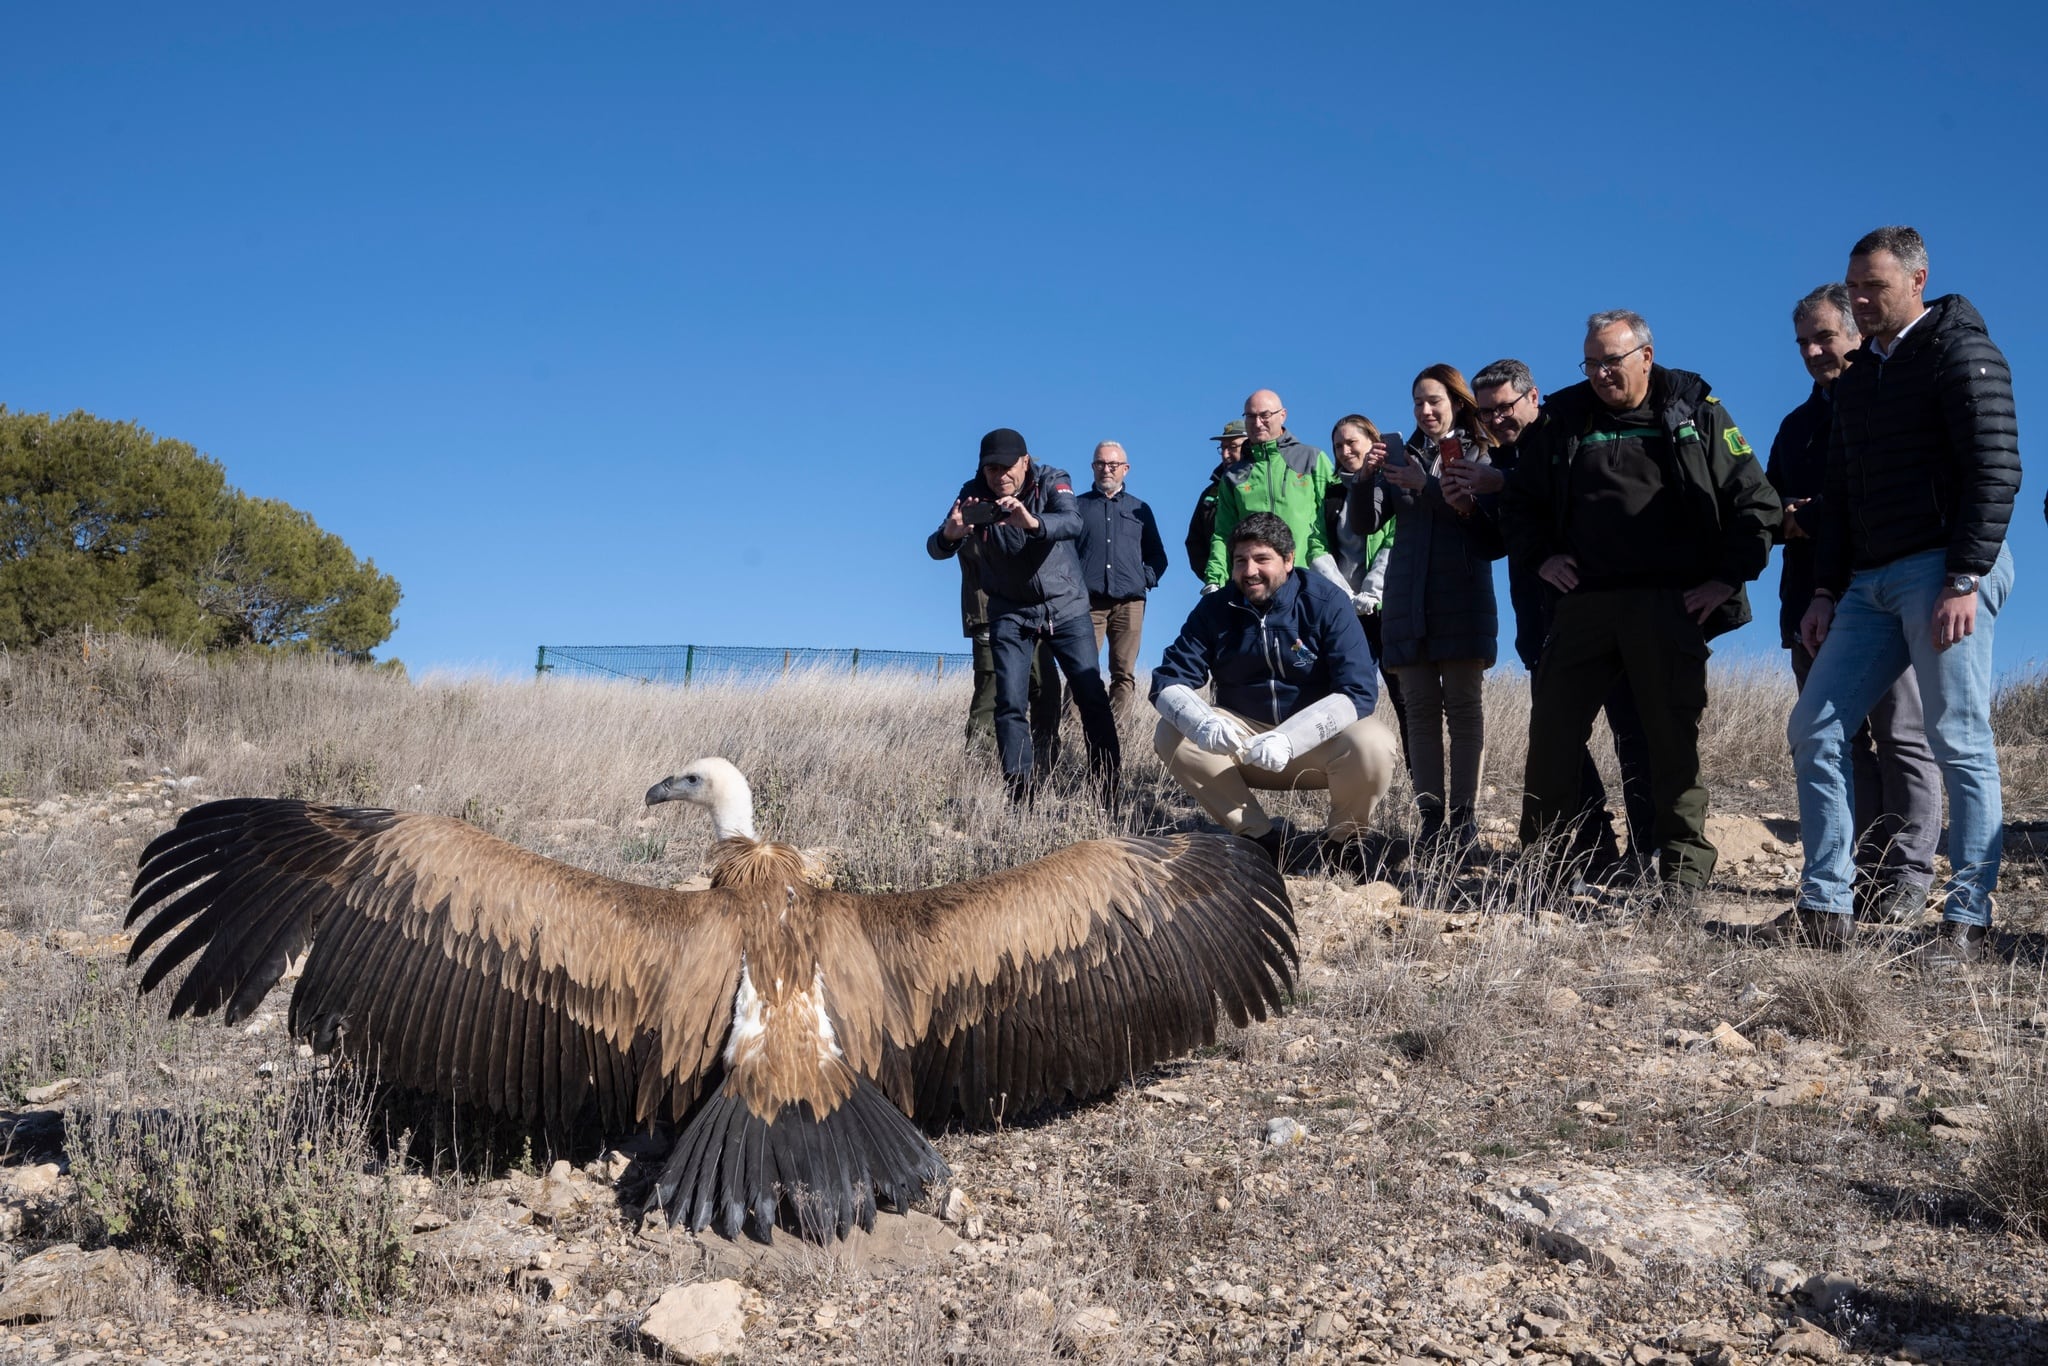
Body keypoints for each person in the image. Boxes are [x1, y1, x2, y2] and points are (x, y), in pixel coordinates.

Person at [1784, 227, 2020, 960]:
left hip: (1946, 567)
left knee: (1958, 738)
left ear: (1917, 280)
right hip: (1868, 581)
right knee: (1815, 729)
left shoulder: (1960, 351)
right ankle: (1827, 907)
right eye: (1854, 285)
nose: (1860, 297)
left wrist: (1964, 575)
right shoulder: (1859, 380)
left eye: (1873, 286)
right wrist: (1824, 590)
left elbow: (1995, 467)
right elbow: (1845, 496)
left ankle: (1968, 919)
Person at [1502, 310, 1779, 895]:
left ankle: (1680, 874)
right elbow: (1519, 504)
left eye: (1613, 360)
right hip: (1583, 604)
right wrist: (1541, 558)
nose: (1602, 372)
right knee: (1552, 737)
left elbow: (1755, 501)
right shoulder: (1563, 417)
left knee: (1669, 743)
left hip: (1668, 604)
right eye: (1592, 362)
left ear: (1645, 357)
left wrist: (1728, 579)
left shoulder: (1693, 410)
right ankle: (1543, 871)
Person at [1766, 283, 1940, 925]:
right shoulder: (1796, 425)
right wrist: (1789, 518)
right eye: (1803, 342)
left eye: (1825, 337)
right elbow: (1766, 509)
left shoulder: (1890, 402)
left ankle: (1906, 877)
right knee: (1832, 742)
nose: (1813, 351)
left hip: (1882, 596)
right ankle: (1850, 881)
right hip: (1808, 602)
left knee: (1902, 737)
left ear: (1857, 333)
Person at [1473, 358, 1654, 880]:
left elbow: (1573, 503)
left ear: (1533, 398)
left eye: (1504, 407)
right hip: (1537, 616)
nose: (1497, 420)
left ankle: (1648, 850)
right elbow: (1496, 545)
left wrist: (1501, 484)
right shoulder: (1500, 461)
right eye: (1486, 413)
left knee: (1632, 731)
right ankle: (1594, 846)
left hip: (1599, 609)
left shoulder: (1568, 437)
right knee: (1561, 740)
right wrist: (1471, 505)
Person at [1150, 513, 1400, 875]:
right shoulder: (1214, 609)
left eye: (1261, 559)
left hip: (1316, 742)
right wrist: (1201, 721)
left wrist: (1288, 739)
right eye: (1240, 561)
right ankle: (1260, 839)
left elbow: (1358, 691)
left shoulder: (1327, 602)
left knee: (1374, 741)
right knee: (1170, 732)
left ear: (1288, 560)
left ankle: (1344, 842)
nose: (1249, 571)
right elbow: (1168, 678)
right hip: (1243, 743)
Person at [928, 428, 1121, 803]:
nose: (1000, 476)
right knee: (1010, 702)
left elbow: (1072, 522)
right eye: (991, 469)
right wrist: (950, 535)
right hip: (1010, 611)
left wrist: (1032, 522)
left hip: (1065, 605)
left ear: (1026, 462)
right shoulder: (973, 491)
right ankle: (1021, 794)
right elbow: (937, 547)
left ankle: (1106, 788)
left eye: (1008, 467)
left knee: (1090, 695)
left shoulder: (1053, 479)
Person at [1366, 365, 1505, 855]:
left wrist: (1424, 483)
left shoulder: (1479, 450)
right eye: (1418, 403)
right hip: (1406, 597)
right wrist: (1368, 477)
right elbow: (1367, 522)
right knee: (1421, 711)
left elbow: (1478, 524)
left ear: (1456, 401)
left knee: (1464, 708)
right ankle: (1430, 821)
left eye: (1434, 401)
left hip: (1462, 592)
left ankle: (1464, 820)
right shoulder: (1405, 455)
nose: (1425, 411)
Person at [1201, 391, 1349, 598]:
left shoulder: (1312, 459)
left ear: (1283, 415)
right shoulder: (1233, 476)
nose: (1257, 422)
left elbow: (1338, 515)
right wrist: (1214, 579)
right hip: (1256, 584)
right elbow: (1224, 533)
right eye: (1250, 416)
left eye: (1265, 415)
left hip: (1309, 580)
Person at [1326, 415, 1408, 748]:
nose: (1345, 451)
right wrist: (1343, 593)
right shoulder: (1329, 492)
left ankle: (1423, 788)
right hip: (1346, 609)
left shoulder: (1391, 483)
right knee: (1345, 694)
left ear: (1372, 442)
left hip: (1387, 606)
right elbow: (1317, 543)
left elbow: (1394, 538)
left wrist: (1372, 591)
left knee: (1405, 697)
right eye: (1338, 446)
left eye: (1351, 443)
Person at [1074, 441, 1169, 716]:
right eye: (1100, 464)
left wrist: (1144, 579)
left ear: (1125, 469)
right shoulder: (1077, 507)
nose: (1107, 470)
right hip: (1086, 605)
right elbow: (1064, 554)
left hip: (1130, 603)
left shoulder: (1140, 509)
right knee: (1081, 669)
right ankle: (1071, 731)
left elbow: (1158, 555)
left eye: (1113, 465)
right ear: (1093, 467)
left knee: (1123, 674)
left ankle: (1119, 735)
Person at [958, 542, 1062, 759]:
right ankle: (979, 760)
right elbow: (946, 543)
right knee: (990, 690)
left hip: (1034, 614)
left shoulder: (1033, 509)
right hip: (989, 614)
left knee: (1046, 686)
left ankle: (1045, 755)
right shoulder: (971, 510)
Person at [1186, 419, 1248, 579]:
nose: (1226, 454)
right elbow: (1194, 541)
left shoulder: (1263, 484)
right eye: (1223, 448)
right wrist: (1211, 576)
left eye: (1232, 447)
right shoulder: (1210, 492)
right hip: (1222, 585)